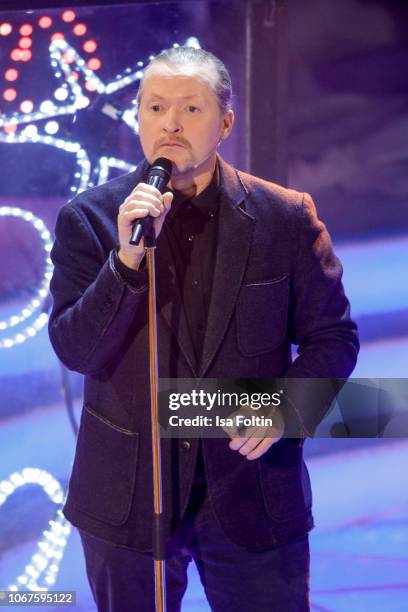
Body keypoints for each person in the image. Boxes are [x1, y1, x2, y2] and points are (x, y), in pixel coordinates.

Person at [48, 47, 359, 611]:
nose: (169, 123)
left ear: (225, 123)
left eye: (190, 109)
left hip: (252, 487)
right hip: (128, 497)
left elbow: (333, 338)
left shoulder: (284, 217)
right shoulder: (91, 219)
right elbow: (75, 349)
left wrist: (285, 408)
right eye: (154, 107)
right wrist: (124, 263)